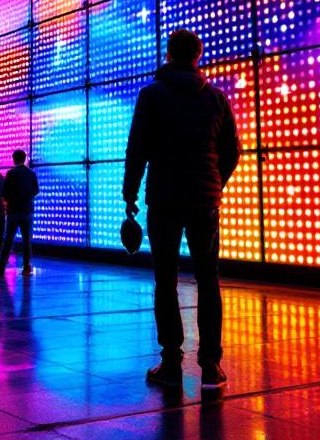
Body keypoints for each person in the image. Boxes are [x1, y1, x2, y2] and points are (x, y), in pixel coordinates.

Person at [123, 29, 240, 392]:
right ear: (198, 55)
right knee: (208, 278)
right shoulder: (216, 98)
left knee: (166, 281)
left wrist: (130, 195)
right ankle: (210, 366)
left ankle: (171, 362)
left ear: (169, 54)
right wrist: (214, 185)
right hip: (204, 200)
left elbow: (137, 148)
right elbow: (232, 151)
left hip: (164, 198)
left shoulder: (151, 95)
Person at [0, 150, 39, 276]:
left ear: (14, 159)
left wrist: (11, 200)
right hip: (27, 210)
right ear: (25, 159)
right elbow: (36, 190)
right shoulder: (31, 173)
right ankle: (27, 267)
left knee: (8, 239)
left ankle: (1, 266)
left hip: (13, 211)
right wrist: (27, 198)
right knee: (26, 239)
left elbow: (4, 193)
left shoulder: (11, 173)